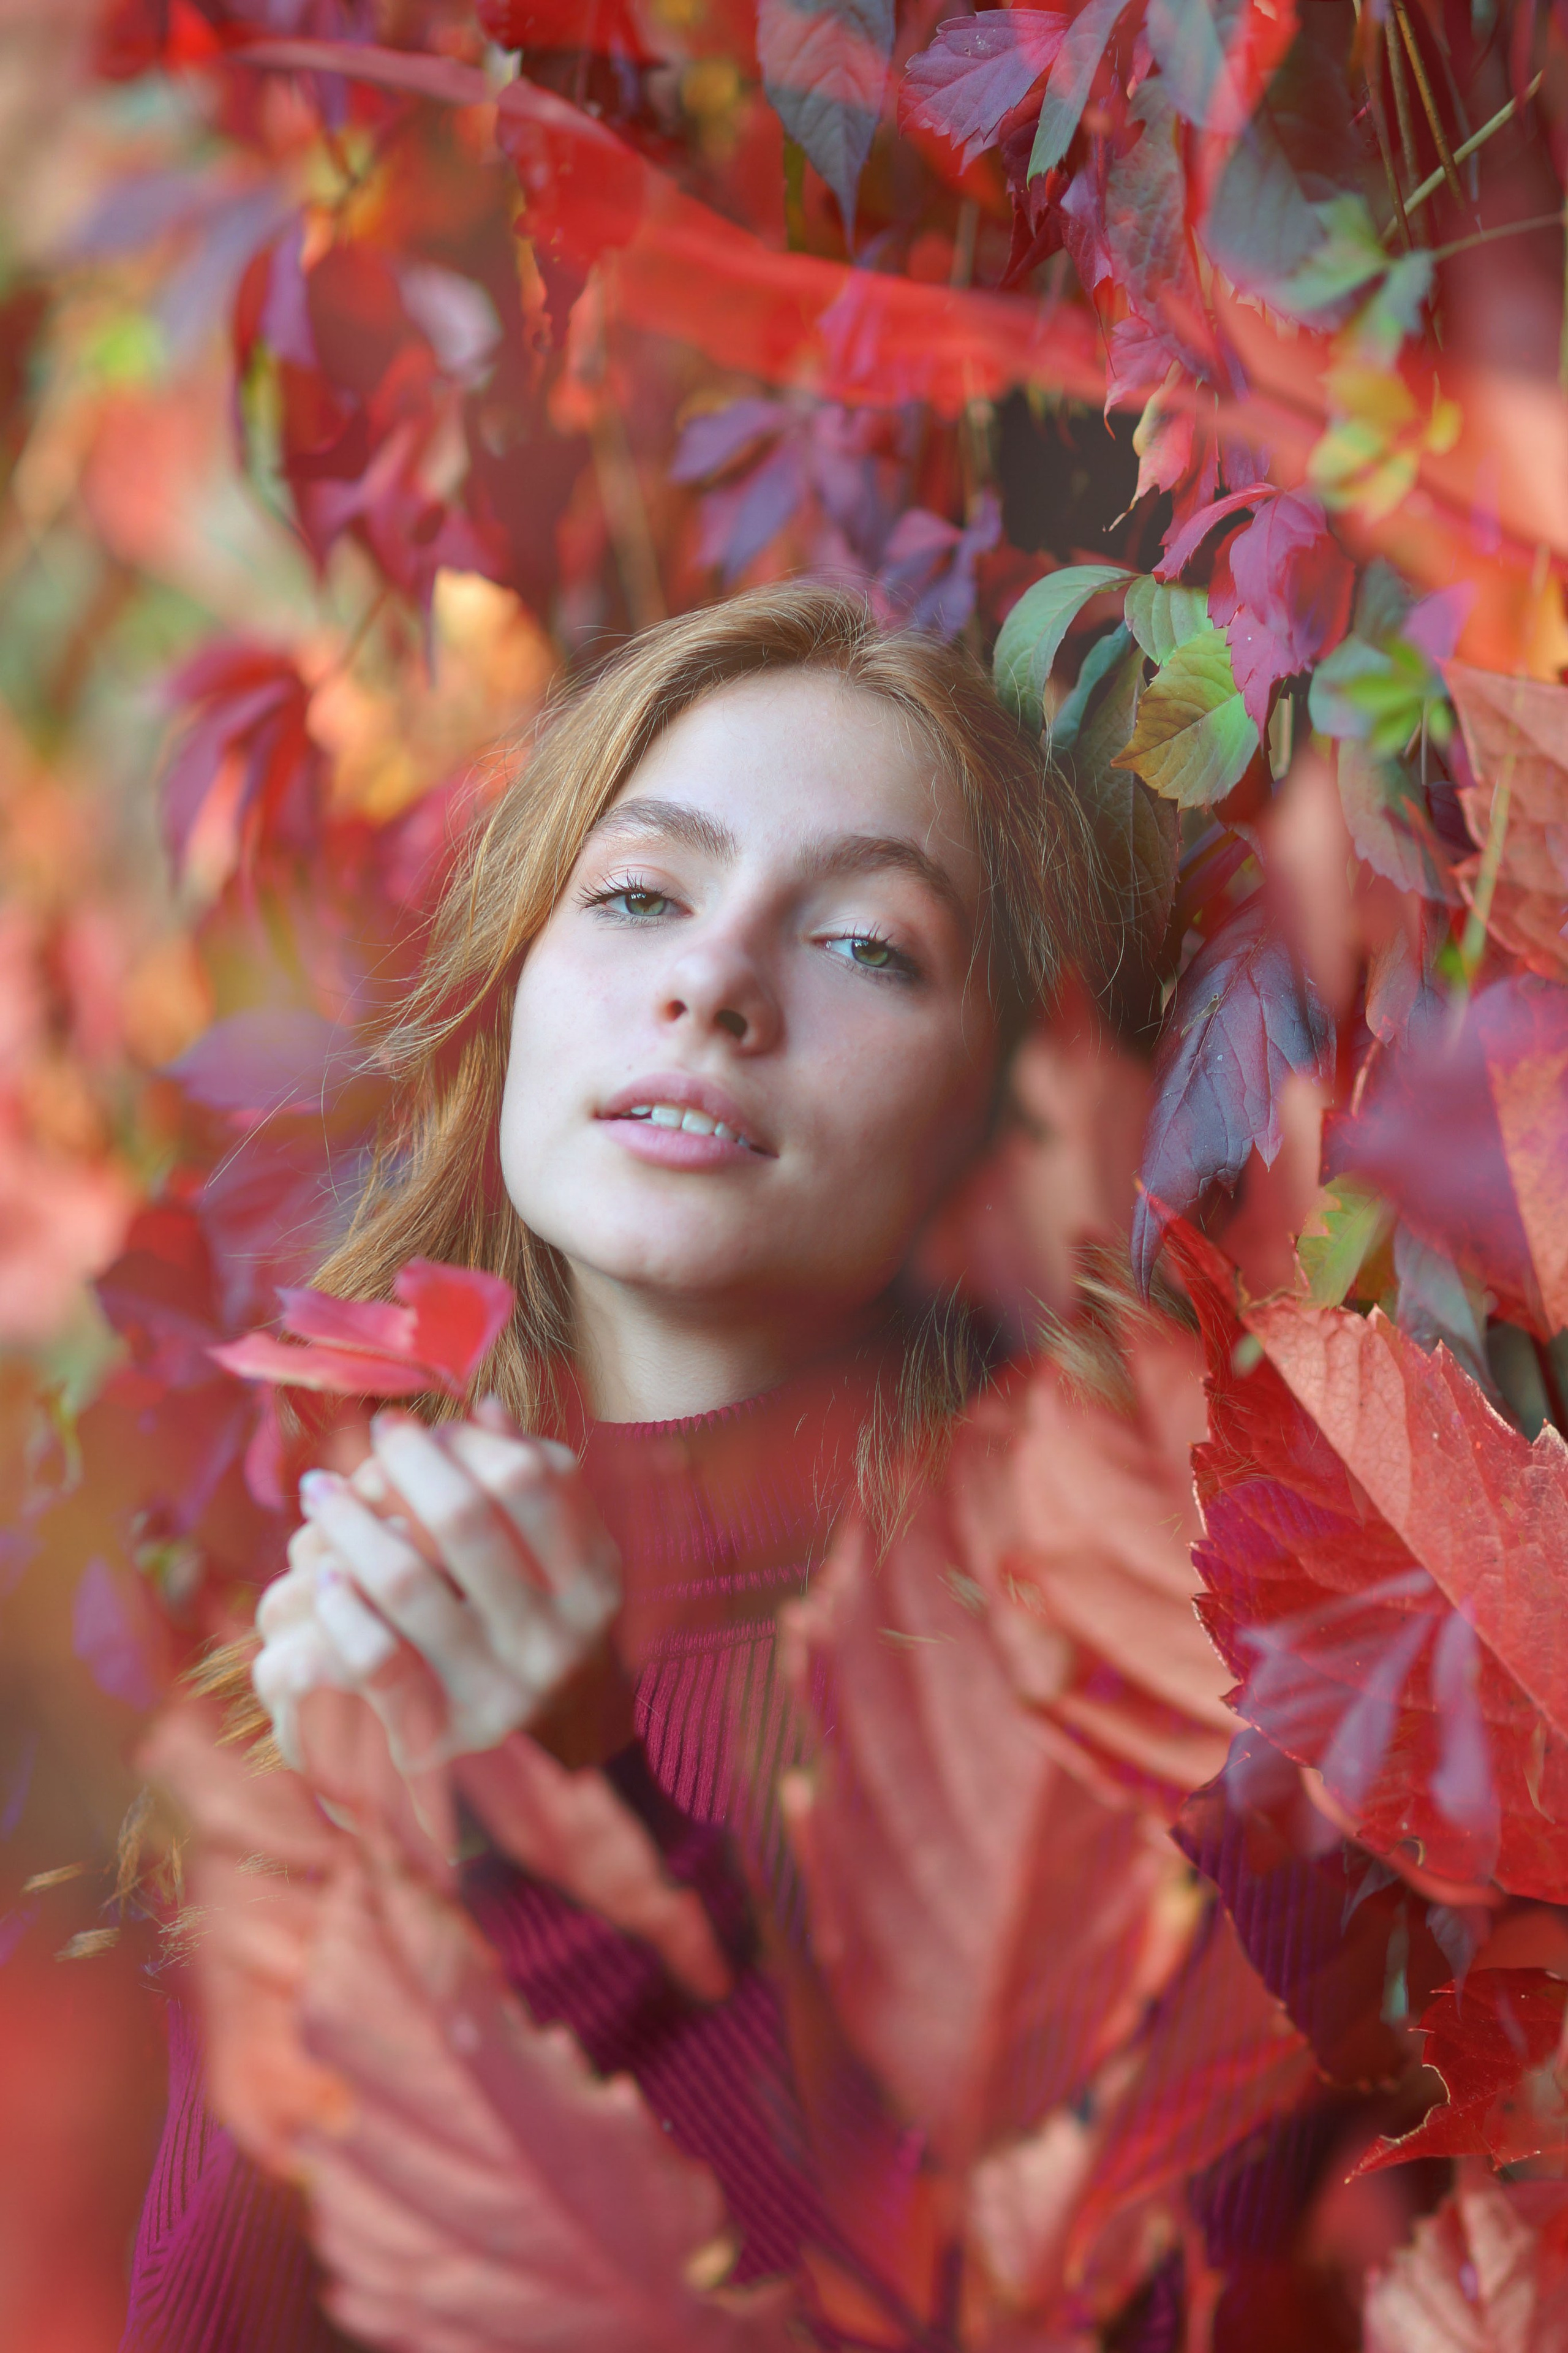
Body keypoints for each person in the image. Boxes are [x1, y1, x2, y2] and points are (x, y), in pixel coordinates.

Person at [122, 583, 1103, 2352]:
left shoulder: (1120, 1706)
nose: (714, 977)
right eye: (641, 892)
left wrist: (574, 1862)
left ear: (1004, 1125)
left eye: (869, 945)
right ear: (511, 993)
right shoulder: (355, 1632)